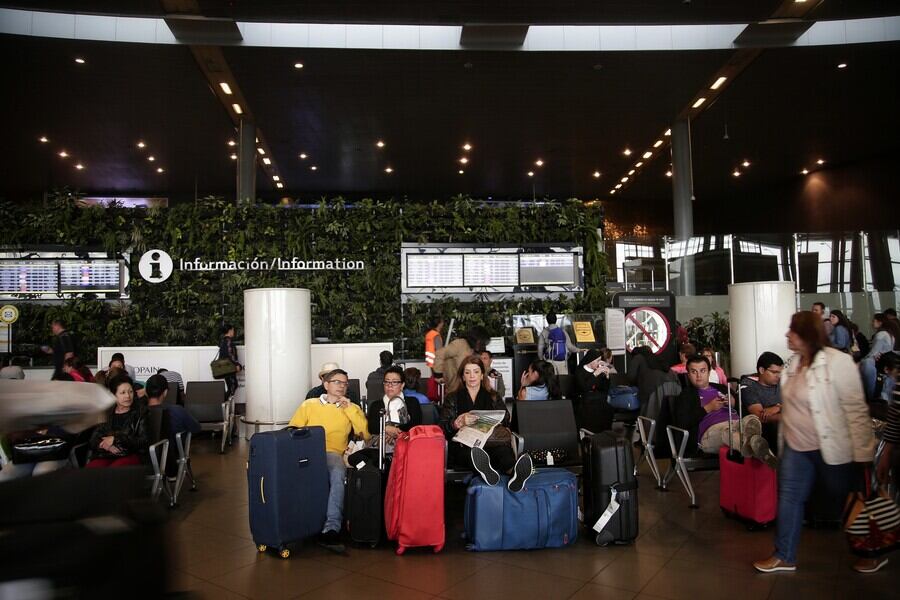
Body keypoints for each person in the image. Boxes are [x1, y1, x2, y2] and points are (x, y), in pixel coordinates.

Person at [753, 311, 876, 574]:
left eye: (792, 331)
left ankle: (870, 552)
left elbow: (855, 409)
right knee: (789, 498)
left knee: (847, 500)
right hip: (797, 447)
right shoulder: (793, 365)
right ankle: (784, 555)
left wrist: (864, 451)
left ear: (806, 335)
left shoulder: (838, 362)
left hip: (831, 446)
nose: (787, 335)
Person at [288, 368, 369, 551]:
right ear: (326, 385)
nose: (342, 386)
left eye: (345, 383)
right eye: (337, 382)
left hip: (332, 453)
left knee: (337, 472)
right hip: (307, 451)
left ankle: (331, 527)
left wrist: (349, 410)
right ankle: (294, 523)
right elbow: (293, 429)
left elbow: (364, 433)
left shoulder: (352, 407)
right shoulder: (309, 404)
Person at [440, 356, 533, 492]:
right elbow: (442, 427)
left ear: (482, 374)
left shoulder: (493, 396)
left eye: (476, 372)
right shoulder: (453, 398)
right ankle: (486, 469)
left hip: (490, 442)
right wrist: (456, 423)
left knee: (503, 452)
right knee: (473, 453)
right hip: (464, 446)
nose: (472, 376)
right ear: (463, 376)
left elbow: (506, 419)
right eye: (467, 372)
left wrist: (495, 419)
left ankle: (514, 473)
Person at [669, 355, 775, 466]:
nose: (699, 375)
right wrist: (708, 408)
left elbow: (744, 411)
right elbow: (682, 422)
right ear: (688, 374)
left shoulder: (723, 388)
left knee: (751, 422)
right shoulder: (686, 395)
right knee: (731, 433)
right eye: (694, 372)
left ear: (709, 372)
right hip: (710, 433)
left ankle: (763, 453)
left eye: (703, 371)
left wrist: (734, 403)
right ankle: (768, 458)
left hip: (737, 424)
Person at [355, 366, 421, 462]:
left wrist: (395, 431)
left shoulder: (412, 402)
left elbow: (415, 424)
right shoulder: (376, 405)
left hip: (406, 443)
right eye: (387, 382)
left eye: (394, 382)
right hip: (380, 445)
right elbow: (372, 427)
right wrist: (386, 428)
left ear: (402, 385)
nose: (390, 385)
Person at [144, 374, 200, 478]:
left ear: (146, 392)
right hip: (170, 458)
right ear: (165, 392)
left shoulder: (139, 413)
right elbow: (196, 428)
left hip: (143, 460)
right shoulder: (177, 410)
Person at [87, 374, 148, 468]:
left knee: (114, 472)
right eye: (122, 393)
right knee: (91, 469)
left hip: (131, 454)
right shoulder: (106, 412)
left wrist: (116, 439)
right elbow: (94, 438)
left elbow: (143, 441)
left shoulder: (141, 412)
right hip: (107, 453)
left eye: (130, 391)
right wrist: (107, 446)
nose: (128, 396)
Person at [741, 352, 784, 448]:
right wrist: (787, 417)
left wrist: (778, 407)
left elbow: (795, 404)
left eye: (780, 372)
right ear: (761, 370)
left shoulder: (782, 383)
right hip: (766, 431)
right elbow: (760, 417)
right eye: (774, 372)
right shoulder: (749, 387)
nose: (778, 376)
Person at [432, 326, 490, 394]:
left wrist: (490, 371)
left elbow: (480, 366)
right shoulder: (459, 344)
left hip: (469, 387)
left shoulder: (475, 350)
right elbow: (439, 354)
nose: (482, 345)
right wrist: (438, 375)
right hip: (454, 387)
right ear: (475, 339)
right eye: (481, 342)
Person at [860, 313, 900, 400]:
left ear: (880, 322)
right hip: (888, 365)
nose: (872, 323)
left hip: (880, 365)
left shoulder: (881, 334)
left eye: (874, 320)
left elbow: (873, 353)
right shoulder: (890, 334)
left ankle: (872, 399)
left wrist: (861, 361)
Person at [575, 348, 616, 433]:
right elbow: (584, 388)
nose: (599, 363)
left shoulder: (598, 371)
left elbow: (605, 389)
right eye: (597, 361)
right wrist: (595, 374)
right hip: (584, 399)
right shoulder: (580, 371)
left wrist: (607, 377)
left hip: (598, 399)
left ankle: (605, 434)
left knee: (608, 408)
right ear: (590, 360)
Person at [626, 345, 673, 413]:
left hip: (648, 392)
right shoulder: (657, 358)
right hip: (668, 390)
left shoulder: (638, 358)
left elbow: (631, 376)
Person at [218, 324, 242, 400]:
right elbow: (230, 354)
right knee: (233, 385)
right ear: (230, 330)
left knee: (232, 385)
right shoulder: (228, 341)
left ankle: (225, 404)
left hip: (225, 367)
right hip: (228, 367)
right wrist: (237, 364)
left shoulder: (223, 341)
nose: (234, 332)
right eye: (233, 330)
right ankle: (223, 403)